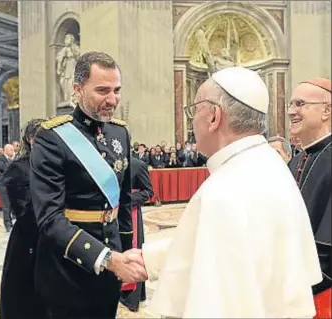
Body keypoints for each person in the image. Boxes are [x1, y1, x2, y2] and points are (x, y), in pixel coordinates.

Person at [131, 67, 322, 318]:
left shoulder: (223, 191)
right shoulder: (269, 164)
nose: (192, 119)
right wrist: (147, 260)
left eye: (195, 109)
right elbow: (218, 245)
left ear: (214, 116)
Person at [29, 51, 147, 319]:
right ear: (77, 89)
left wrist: (126, 252)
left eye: (117, 90)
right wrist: (107, 258)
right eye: (102, 90)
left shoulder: (120, 132)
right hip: (67, 269)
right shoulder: (52, 138)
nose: (113, 99)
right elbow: (49, 219)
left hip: (112, 266)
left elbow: (124, 202)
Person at [287, 77, 331, 318]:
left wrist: (298, 288)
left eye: (300, 103)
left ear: (326, 110)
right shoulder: (295, 161)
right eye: (291, 104)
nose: (292, 111)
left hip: (321, 293)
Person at [0, 119, 47, 319]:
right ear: (30, 139)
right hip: (30, 234)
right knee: (25, 290)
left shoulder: (60, 163)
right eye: (40, 137)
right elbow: (22, 208)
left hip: (57, 233)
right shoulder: (19, 167)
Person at [120, 156, 154, 312]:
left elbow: (148, 192)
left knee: (133, 252)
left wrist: (127, 200)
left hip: (131, 212)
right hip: (111, 215)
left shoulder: (138, 165)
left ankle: (133, 297)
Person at [0, 144, 16, 232]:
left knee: (14, 205)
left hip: (14, 185)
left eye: (13, 149)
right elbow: (5, 168)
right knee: (6, 206)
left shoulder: (15, 158)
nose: (13, 151)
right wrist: (13, 162)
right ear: (6, 150)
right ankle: (8, 224)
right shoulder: (0, 158)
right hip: (3, 186)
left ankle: (14, 222)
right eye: (11, 149)